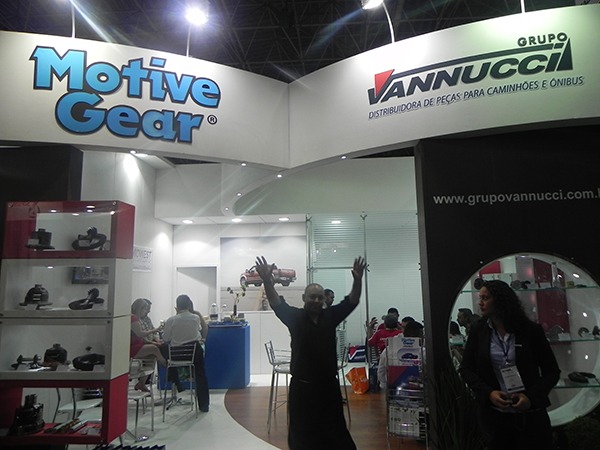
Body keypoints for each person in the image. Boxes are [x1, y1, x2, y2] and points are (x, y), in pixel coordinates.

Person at [255, 255, 366, 450]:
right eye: (312, 297)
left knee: (336, 433)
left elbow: (352, 301)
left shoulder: (330, 316)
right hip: (302, 389)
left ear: (324, 300)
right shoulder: (295, 317)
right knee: (301, 435)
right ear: (304, 298)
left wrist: (357, 280)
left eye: (319, 297)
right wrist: (267, 281)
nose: (316, 300)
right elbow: (276, 303)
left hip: (328, 388)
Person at [460, 280, 560, 450]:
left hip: (530, 419)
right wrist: (489, 394)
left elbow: (552, 372)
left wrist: (530, 398)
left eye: (485, 298)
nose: (480, 303)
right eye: (480, 298)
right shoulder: (478, 330)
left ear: (500, 300)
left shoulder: (530, 330)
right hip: (494, 419)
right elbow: (466, 369)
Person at [162, 294, 210, 412]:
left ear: (177, 307)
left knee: (166, 352)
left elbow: (165, 338)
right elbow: (198, 333)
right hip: (193, 353)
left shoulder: (171, 320)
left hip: (176, 356)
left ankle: (176, 381)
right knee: (201, 374)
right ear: (189, 305)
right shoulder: (195, 318)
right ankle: (204, 405)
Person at [130, 301, 167, 391]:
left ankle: (142, 383)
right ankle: (164, 363)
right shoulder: (133, 318)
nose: (146, 311)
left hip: (139, 344)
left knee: (151, 356)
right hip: (133, 347)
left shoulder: (138, 319)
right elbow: (140, 334)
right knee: (154, 349)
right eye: (145, 309)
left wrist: (153, 341)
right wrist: (154, 330)